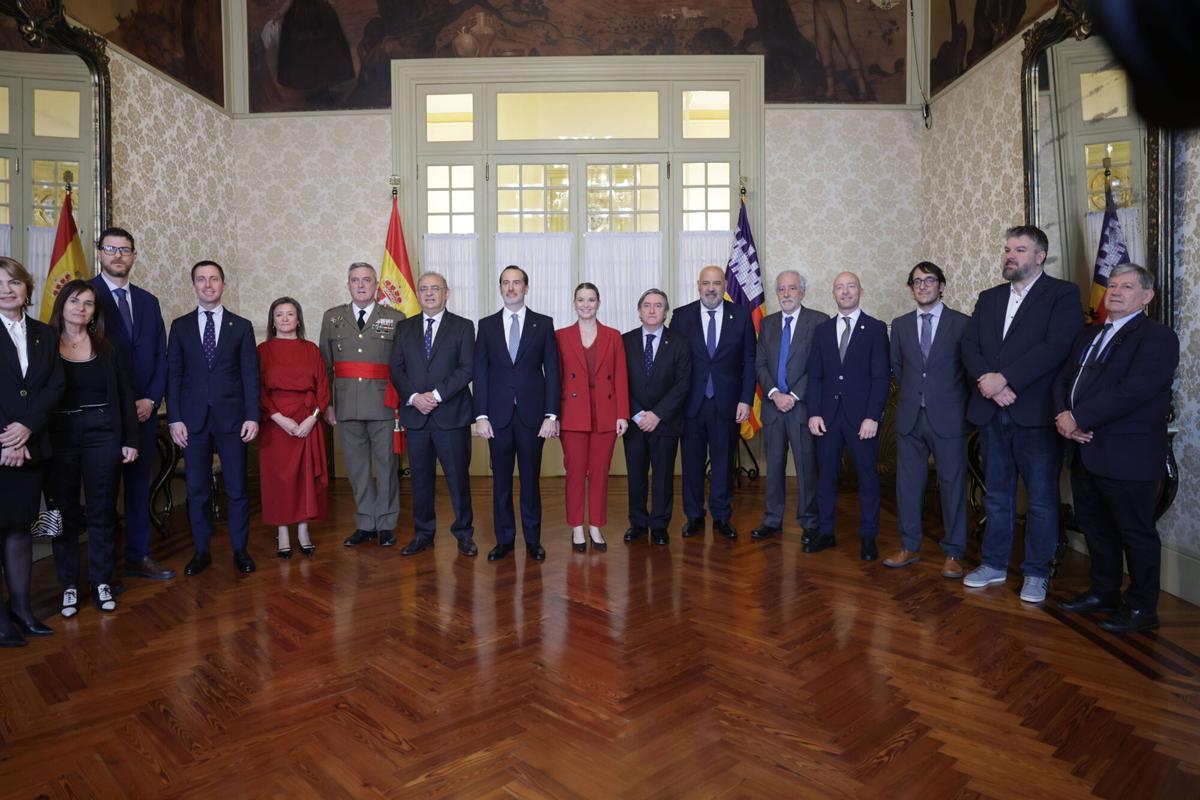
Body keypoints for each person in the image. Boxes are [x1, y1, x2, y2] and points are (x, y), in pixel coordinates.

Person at [1054, 264, 1179, 632]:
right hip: (1084, 451)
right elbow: (1062, 380)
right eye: (1112, 285)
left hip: (1127, 454)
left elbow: (1132, 391)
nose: (1116, 291)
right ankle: (1103, 592)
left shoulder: (1157, 337)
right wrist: (1063, 415)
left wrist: (1079, 419)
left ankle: (1142, 609)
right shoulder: (1088, 334)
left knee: (1134, 533)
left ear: (1147, 296)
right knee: (1095, 527)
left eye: (1127, 286)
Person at [961, 225, 1082, 603]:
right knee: (996, 495)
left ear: (1039, 256)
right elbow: (970, 344)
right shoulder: (990, 297)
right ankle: (994, 564)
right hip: (992, 412)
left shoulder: (1062, 294)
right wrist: (987, 381)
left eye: (1020, 249)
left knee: (1042, 499)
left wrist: (1006, 379)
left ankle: (1036, 572)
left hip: (1035, 413)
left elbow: (1056, 347)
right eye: (1008, 249)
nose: (1010, 255)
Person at [46, 281, 138, 617]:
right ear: (62, 305)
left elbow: (125, 396)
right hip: (60, 437)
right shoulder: (44, 344)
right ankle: (69, 585)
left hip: (103, 434)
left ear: (94, 312)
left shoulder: (107, 348)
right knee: (65, 513)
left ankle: (102, 580)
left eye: (88, 304)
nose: (81, 309)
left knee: (101, 511)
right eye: (74, 301)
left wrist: (129, 439)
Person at [89, 227, 174, 581]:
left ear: (134, 256)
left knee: (138, 489)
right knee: (104, 493)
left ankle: (138, 555)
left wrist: (151, 399)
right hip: (104, 415)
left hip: (143, 412)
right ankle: (103, 570)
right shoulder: (85, 296)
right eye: (111, 249)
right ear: (100, 253)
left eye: (125, 250)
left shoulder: (148, 301)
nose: (118, 255)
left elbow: (160, 356)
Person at [167, 261, 260, 576]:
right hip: (192, 423)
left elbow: (250, 375)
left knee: (236, 489)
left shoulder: (241, 326)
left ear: (223, 284)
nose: (208, 285)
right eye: (201, 280)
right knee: (197, 490)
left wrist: (253, 416)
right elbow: (174, 375)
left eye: (214, 279)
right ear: (193, 284)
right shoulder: (179, 326)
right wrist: (174, 418)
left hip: (233, 420)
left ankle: (240, 550)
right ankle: (202, 550)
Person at [884, 263, 971, 579]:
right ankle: (909, 546)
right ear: (910, 288)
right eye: (916, 281)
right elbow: (899, 368)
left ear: (942, 285)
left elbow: (968, 372)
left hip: (948, 418)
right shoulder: (901, 325)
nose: (922, 285)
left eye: (929, 280)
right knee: (908, 486)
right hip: (910, 417)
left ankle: (953, 552)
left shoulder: (961, 324)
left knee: (952, 485)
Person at [474, 265, 561, 562]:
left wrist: (551, 415)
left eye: (517, 283)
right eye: (506, 283)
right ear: (500, 288)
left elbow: (553, 371)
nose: (511, 288)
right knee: (500, 483)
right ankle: (505, 541)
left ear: (526, 287)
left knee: (530, 482)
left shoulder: (543, 323)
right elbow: (480, 372)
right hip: (496, 418)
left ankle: (533, 541)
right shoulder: (485, 326)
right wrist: (481, 415)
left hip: (532, 417)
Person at [388, 272, 477, 557]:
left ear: (446, 293)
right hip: (417, 418)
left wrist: (435, 396)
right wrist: (415, 398)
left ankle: (464, 534)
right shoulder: (404, 328)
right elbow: (396, 368)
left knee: (457, 480)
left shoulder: (463, 327)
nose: (428, 294)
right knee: (421, 481)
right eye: (424, 289)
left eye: (435, 289)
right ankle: (423, 534)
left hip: (451, 416)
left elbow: (466, 369)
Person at [318, 263, 406, 548]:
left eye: (366, 280)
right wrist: (328, 404)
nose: (360, 285)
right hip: (346, 405)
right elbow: (325, 367)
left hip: (383, 405)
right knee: (356, 469)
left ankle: (387, 524)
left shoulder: (394, 318)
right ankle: (366, 523)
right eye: (355, 280)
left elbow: (402, 365)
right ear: (348, 285)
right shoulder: (333, 318)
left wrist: (402, 403)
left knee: (386, 467)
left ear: (376, 285)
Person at [0, 258, 64, 646]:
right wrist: (5, 437)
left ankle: (22, 609)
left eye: (14, 282)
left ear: (27, 289)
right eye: (0, 283)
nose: (7, 289)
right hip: (2, 445)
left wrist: (26, 430)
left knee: (20, 530)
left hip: (32, 445)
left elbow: (54, 386)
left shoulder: (44, 334)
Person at [805, 271, 890, 560]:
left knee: (867, 478)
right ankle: (826, 532)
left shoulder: (876, 328)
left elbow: (880, 378)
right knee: (826, 477)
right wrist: (813, 413)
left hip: (861, 419)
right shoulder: (823, 330)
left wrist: (873, 417)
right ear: (833, 293)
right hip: (827, 417)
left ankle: (868, 536)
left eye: (850, 286)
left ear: (860, 291)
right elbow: (815, 377)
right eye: (839, 287)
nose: (845, 292)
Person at [671, 265, 756, 540]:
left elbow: (750, 362)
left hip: (727, 403)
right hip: (691, 404)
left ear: (724, 286)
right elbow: (674, 364)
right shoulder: (682, 316)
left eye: (716, 283)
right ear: (698, 285)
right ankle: (693, 516)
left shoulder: (741, 316)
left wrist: (746, 400)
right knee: (692, 464)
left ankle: (721, 516)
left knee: (723, 464)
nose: (711, 288)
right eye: (706, 283)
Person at [750, 270, 824, 543]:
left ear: (802, 292)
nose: (786, 294)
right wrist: (773, 393)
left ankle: (809, 521)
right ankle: (772, 520)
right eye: (781, 289)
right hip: (772, 407)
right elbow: (759, 363)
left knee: (806, 467)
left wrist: (792, 395)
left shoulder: (818, 321)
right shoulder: (767, 324)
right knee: (775, 467)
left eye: (792, 288)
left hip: (801, 407)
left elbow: (818, 366)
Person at [556, 283, 629, 552]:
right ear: (574, 303)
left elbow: (620, 376)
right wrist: (553, 416)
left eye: (591, 300)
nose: (586, 305)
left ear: (599, 303)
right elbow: (556, 379)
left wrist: (622, 414)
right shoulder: (560, 336)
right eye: (581, 300)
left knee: (600, 473)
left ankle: (596, 525)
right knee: (575, 473)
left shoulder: (613, 335)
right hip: (572, 415)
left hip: (606, 415)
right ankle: (577, 526)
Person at [258, 297, 330, 558]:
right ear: (273, 320)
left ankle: (302, 530)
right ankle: (283, 532)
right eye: (280, 315)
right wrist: (278, 417)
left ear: (298, 319)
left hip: (307, 420)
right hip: (276, 423)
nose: (285, 319)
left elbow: (323, 386)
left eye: (290, 314)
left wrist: (312, 418)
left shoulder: (311, 349)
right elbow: (257, 389)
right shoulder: (262, 351)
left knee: (305, 478)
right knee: (278, 479)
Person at [623, 289, 691, 546]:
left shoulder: (680, 342)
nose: (652, 310)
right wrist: (639, 414)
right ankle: (638, 523)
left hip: (666, 422)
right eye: (647, 306)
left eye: (658, 305)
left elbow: (683, 384)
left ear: (666, 311)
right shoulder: (624, 341)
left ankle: (660, 524)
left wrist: (658, 414)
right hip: (635, 422)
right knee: (636, 476)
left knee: (663, 477)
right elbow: (620, 383)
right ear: (639, 311)